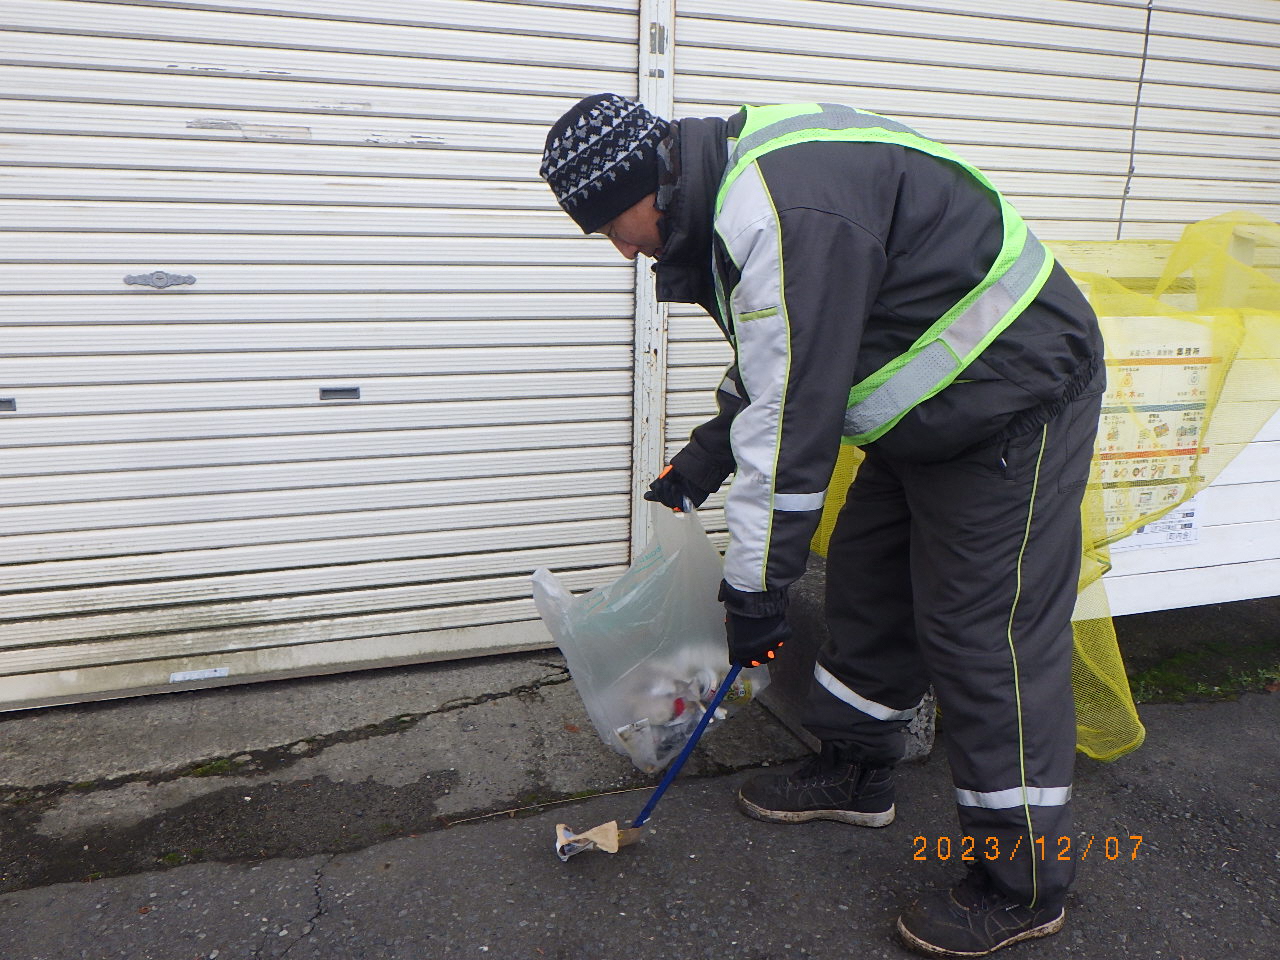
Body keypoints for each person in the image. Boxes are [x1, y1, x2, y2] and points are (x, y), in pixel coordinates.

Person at [539, 93, 1104, 958]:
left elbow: (795, 418)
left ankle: (1020, 882)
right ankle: (858, 768)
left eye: (616, 224)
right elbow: (780, 360)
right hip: (928, 409)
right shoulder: (733, 192)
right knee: (871, 583)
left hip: (1012, 399)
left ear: (650, 180)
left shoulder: (774, 210)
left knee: (983, 636)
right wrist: (705, 454)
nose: (623, 247)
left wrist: (756, 589)